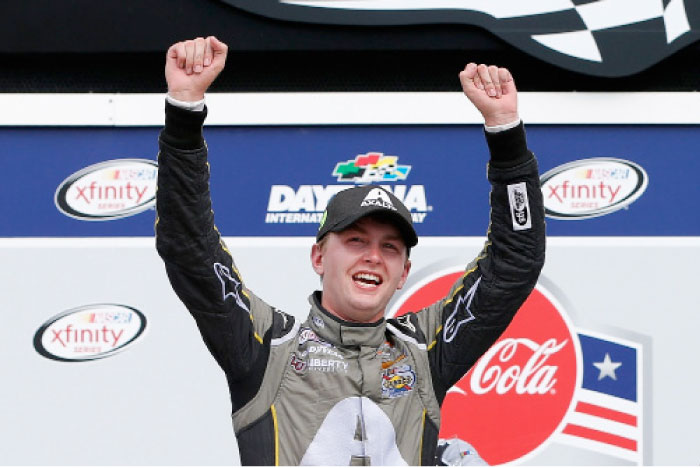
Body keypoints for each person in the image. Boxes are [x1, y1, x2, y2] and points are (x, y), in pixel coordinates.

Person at [156, 36, 545, 466]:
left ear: (403, 272)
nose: (373, 256)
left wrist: (506, 134)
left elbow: (514, 263)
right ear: (319, 257)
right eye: (356, 241)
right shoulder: (269, 346)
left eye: (389, 247)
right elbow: (189, 248)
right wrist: (184, 113)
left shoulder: (425, 349)